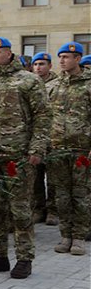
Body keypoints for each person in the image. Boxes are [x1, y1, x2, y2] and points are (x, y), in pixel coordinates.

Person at [0, 37, 50, 279]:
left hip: (19, 157)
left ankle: (24, 258)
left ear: (9, 53)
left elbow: (42, 115)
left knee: (20, 210)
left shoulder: (28, 80)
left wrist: (37, 148)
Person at [47, 42, 91, 255]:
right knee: (62, 196)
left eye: (66, 57)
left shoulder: (88, 85)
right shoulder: (53, 86)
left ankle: (79, 237)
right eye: (61, 57)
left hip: (82, 149)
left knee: (81, 195)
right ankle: (65, 235)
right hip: (57, 149)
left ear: (78, 59)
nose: (62, 61)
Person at [31, 52, 59, 225]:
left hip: (54, 137)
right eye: (36, 64)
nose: (38, 68)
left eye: (42, 64)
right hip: (36, 137)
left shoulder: (58, 84)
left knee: (53, 177)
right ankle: (38, 209)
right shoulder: (30, 84)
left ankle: (53, 210)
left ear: (50, 66)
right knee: (36, 177)